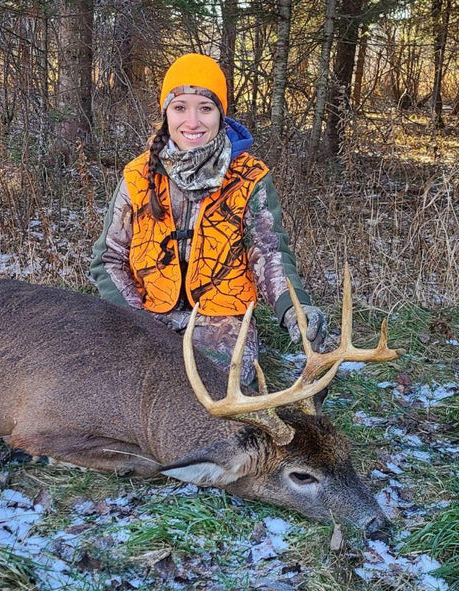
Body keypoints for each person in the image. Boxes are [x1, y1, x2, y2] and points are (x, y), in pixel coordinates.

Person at [90, 53, 326, 386]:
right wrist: (131, 317)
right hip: (146, 314)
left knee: (212, 392)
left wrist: (295, 310)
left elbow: (269, 253)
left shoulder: (249, 177)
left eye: (205, 108)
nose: (192, 122)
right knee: (125, 389)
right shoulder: (138, 175)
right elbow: (109, 258)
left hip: (221, 322)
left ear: (220, 114)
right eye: (180, 107)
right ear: (166, 113)